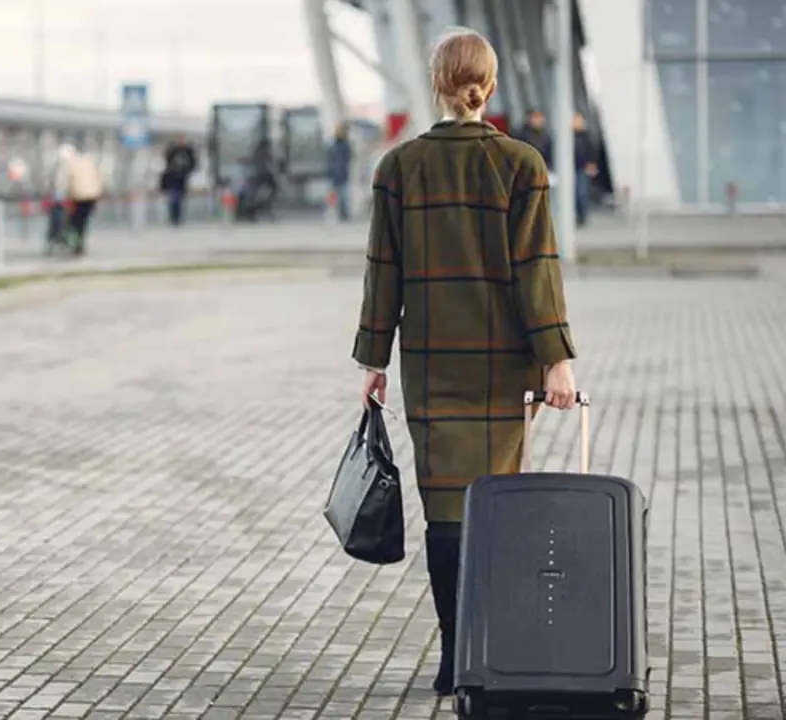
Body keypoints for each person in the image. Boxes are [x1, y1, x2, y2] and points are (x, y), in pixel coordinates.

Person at [352, 27, 579, 697]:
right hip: (504, 367)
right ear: (490, 83)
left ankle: (456, 655)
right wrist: (556, 361)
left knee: (445, 511)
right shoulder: (521, 163)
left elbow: (381, 273)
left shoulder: (398, 167)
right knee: (496, 507)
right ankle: (489, 652)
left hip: (430, 366)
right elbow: (537, 272)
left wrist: (374, 359)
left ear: (436, 83)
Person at [53, 144, 104, 255]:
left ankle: (75, 243)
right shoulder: (87, 161)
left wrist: (59, 196)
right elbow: (99, 177)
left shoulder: (68, 164)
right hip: (91, 196)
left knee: (74, 221)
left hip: (78, 196)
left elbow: (62, 182)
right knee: (83, 221)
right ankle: (80, 243)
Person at [160, 135, 198, 226]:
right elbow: (167, 161)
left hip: (182, 178)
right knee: (173, 198)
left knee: (180, 198)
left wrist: (188, 171)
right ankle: (173, 217)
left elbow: (193, 163)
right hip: (173, 178)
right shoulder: (173, 151)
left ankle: (178, 217)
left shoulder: (188, 151)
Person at [571, 112, 599, 227]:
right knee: (573, 193)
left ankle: (582, 215)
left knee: (582, 192)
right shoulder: (567, 136)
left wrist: (591, 164)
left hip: (582, 168)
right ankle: (575, 215)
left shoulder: (586, 136)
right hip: (570, 168)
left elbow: (591, 151)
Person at [327, 122, 354, 221]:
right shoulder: (341, 145)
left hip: (339, 173)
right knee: (338, 195)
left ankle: (341, 213)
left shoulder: (339, 145)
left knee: (342, 195)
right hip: (337, 173)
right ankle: (338, 213)